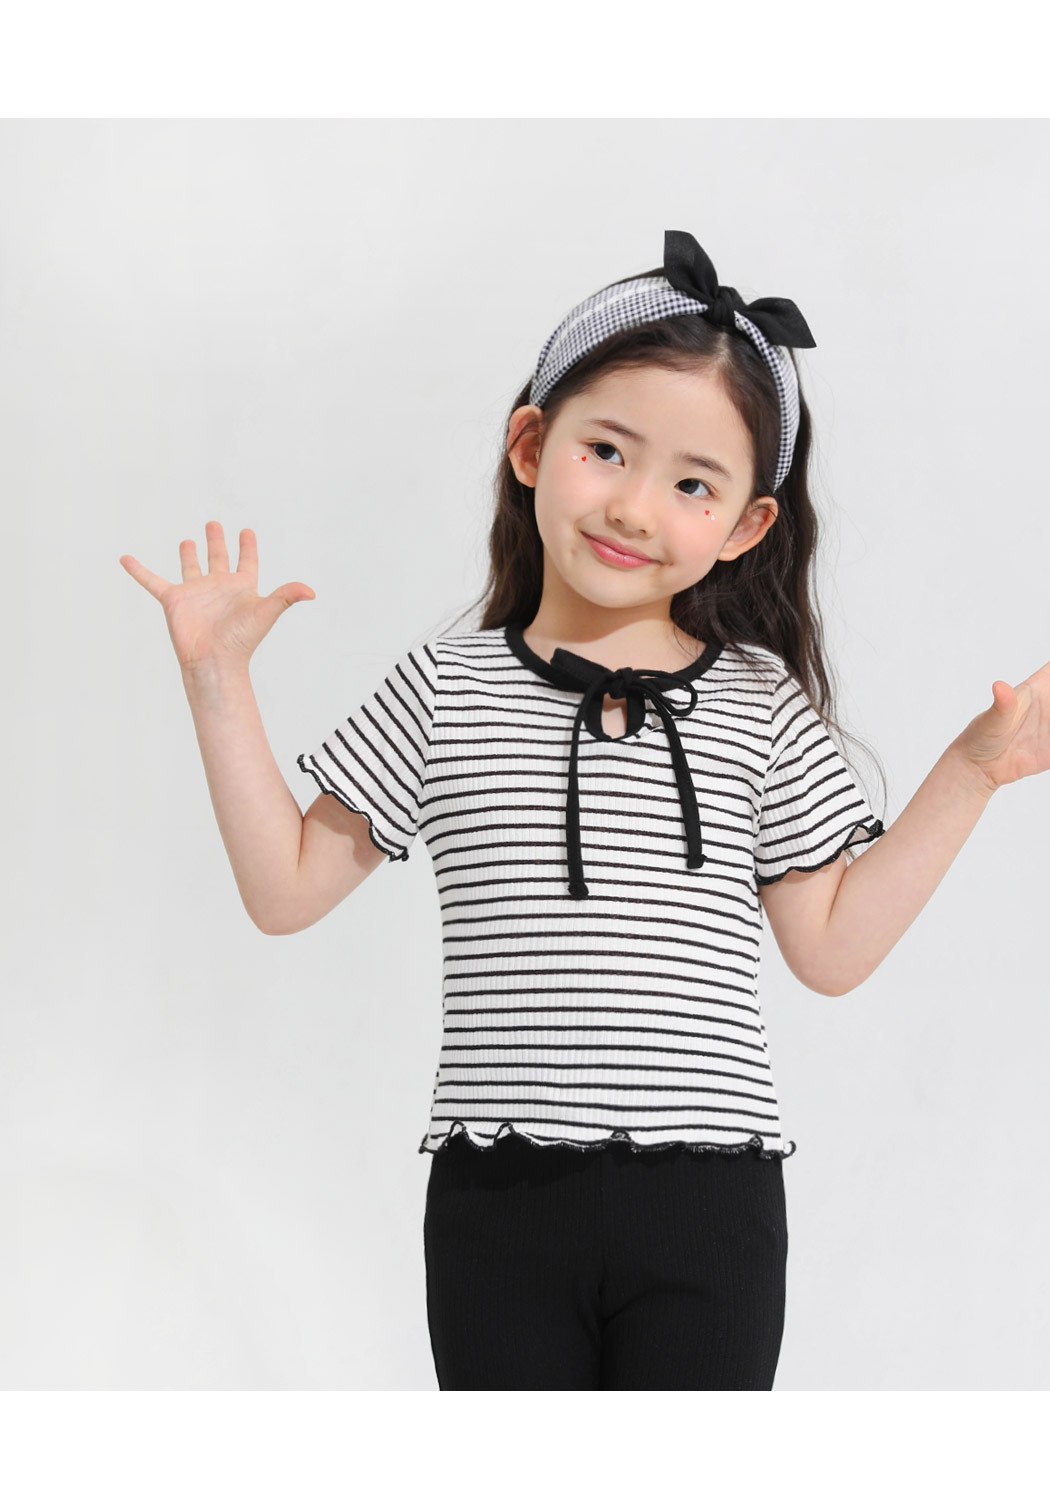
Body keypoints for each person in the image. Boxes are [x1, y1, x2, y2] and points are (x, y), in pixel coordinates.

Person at [119, 228, 1050, 1391]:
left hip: (712, 1203)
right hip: (499, 1199)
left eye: (693, 484)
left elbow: (833, 949)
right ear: (532, 445)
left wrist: (969, 772)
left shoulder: (758, 704)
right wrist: (217, 679)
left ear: (746, 524)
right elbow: (285, 888)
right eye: (607, 450)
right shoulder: (448, 687)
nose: (636, 507)